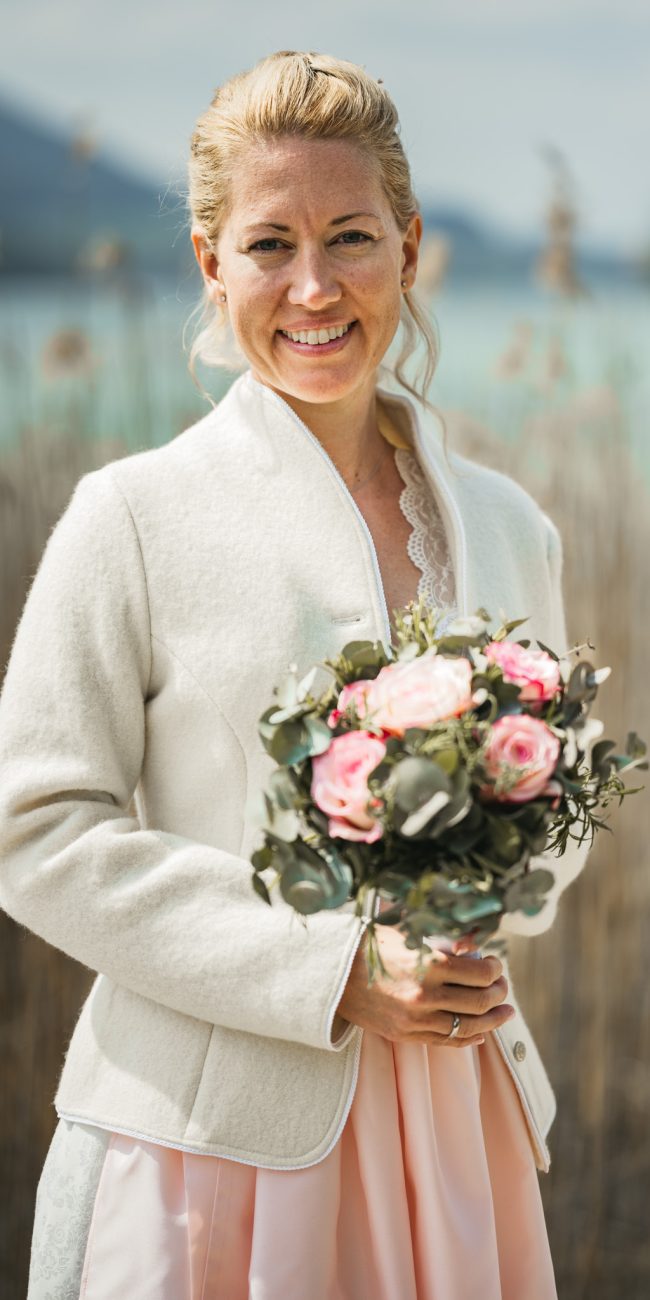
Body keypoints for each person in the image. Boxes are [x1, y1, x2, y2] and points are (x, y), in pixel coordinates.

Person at [0, 49, 599, 1300]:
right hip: (204, 1148)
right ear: (213, 263)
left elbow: (553, 810)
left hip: (456, 1120)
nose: (313, 286)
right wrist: (328, 972)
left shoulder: (507, 525)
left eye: (351, 237)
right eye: (270, 244)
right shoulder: (131, 516)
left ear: (411, 245)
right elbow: (34, 829)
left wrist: (477, 920)